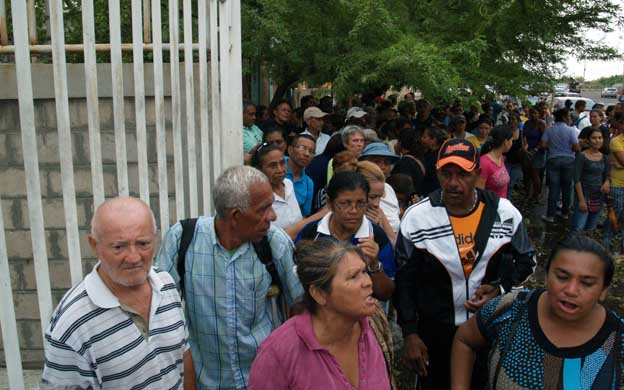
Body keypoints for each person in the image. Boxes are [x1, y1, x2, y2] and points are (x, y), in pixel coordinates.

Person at [395, 138, 536, 390]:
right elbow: (404, 280)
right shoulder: (417, 218)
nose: (452, 183)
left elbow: (527, 260)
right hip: (435, 332)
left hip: (489, 329)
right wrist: (410, 333)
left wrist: (499, 288)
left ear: (478, 174)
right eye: (445, 174)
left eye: (462, 174)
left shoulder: (504, 212)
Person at [156, 166, 304, 389]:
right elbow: (162, 311)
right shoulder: (182, 238)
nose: (272, 216)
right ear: (236, 216)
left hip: (264, 379)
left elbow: (300, 304)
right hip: (205, 380)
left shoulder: (275, 242)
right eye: (264, 209)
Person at [41, 197, 195, 389]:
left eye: (143, 244)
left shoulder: (166, 283)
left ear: (154, 240)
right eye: (119, 246)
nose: (133, 257)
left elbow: (183, 354)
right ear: (94, 245)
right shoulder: (72, 325)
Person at [451, 235, 623, 389]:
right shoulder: (511, 310)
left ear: (603, 291)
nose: (571, 290)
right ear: (547, 276)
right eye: (562, 277)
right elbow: (464, 340)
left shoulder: (618, 342)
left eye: (586, 283)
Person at [248, 240, 391, 390]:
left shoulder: (371, 328)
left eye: (364, 272)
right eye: (353, 276)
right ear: (319, 294)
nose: (368, 282)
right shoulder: (279, 353)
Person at [296, 171, 396, 301]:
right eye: (345, 203)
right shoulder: (311, 233)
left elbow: (386, 293)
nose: (354, 210)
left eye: (360, 203)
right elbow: (298, 284)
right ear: (329, 203)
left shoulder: (376, 236)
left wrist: (374, 265)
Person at [253, 143, 329, 239]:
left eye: (282, 163)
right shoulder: (259, 197)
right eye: (273, 166)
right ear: (259, 169)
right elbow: (280, 238)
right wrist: (321, 214)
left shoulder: (288, 184)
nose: (280, 170)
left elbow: (298, 220)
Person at [541, 108, 580, 223]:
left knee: (554, 188)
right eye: (568, 115)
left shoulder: (549, 129)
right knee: (567, 188)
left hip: (553, 160)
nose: (569, 118)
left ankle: (550, 215)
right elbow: (576, 148)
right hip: (569, 160)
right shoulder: (571, 130)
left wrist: (553, 147)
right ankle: (564, 213)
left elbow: (543, 145)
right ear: (563, 117)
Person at [571, 128, 610, 233]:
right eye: (594, 138)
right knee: (578, 228)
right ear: (588, 140)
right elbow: (576, 179)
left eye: (600, 138)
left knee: (591, 227)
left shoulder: (605, 158)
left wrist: (606, 183)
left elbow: (607, 175)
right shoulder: (582, 156)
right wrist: (581, 200)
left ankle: (586, 248)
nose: (597, 140)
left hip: (598, 198)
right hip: (583, 196)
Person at [355, 161, 397, 241]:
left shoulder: (378, 212)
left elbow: (393, 245)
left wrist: (378, 228)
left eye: (380, 197)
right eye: (372, 197)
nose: (377, 204)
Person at [477, 125, 513, 198]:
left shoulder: (501, 158)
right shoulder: (484, 163)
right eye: (511, 140)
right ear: (506, 141)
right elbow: (479, 193)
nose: (512, 143)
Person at [286, 134, 316, 217]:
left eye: (311, 151)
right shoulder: (277, 166)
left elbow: (304, 215)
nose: (307, 154)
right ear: (290, 150)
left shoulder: (308, 183)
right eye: (302, 148)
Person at [523, 107, 547, 203]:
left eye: (536, 113)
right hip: (527, 150)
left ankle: (536, 195)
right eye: (532, 113)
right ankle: (527, 193)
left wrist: (536, 149)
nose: (533, 115)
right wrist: (524, 146)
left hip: (538, 151)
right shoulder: (527, 123)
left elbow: (544, 139)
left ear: (539, 114)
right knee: (526, 173)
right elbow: (523, 135)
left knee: (535, 173)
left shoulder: (541, 124)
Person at [503, 113, 528, 195]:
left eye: (514, 119)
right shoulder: (505, 132)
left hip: (517, 162)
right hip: (506, 161)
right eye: (510, 119)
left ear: (518, 121)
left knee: (511, 184)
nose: (511, 121)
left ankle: (508, 201)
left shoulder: (522, 133)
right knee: (504, 183)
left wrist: (525, 148)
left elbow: (525, 143)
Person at [420, 125, 449, 197]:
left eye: (424, 137)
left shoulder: (440, 156)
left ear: (434, 139)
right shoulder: (428, 153)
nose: (422, 139)